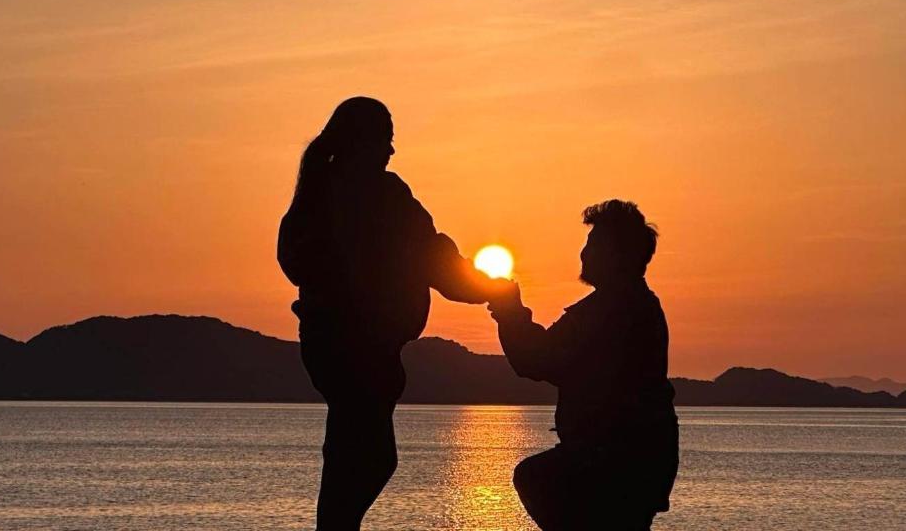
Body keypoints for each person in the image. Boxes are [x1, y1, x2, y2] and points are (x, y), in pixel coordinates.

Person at [277, 96, 508, 531]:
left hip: (340, 346)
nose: (391, 150)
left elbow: (430, 257)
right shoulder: (378, 196)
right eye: (386, 139)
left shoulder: (325, 192)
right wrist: (491, 289)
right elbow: (436, 260)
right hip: (354, 348)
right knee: (367, 456)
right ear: (361, 142)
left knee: (354, 453)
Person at [488, 200, 678, 531]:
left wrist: (511, 311)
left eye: (593, 245)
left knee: (535, 477)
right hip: (643, 461)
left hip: (612, 462)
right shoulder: (639, 305)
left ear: (616, 255)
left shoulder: (608, 311)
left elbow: (536, 358)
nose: (584, 254)